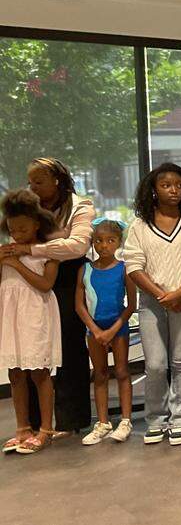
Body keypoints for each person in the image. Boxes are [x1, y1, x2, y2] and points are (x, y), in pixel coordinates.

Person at [0, 158, 95, 435]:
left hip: (66, 280)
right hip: (27, 282)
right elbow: (15, 238)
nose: (33, 187)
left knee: (68, 348)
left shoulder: (80, 205)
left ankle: (69, 420)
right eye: (30, 182)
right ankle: (28, 424)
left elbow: (77, 246)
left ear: (57, 180)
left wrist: (31, 250)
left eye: (39, 181)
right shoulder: (27, 208)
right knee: (27, 354)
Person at [124, 163, 181, 447]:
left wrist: (180, 293)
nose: (173, 190)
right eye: (166, 185)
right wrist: (164, 296)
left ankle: (180, 420)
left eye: (178, 185)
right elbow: (133, 265)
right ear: (153, 189)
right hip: (152, 302)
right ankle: (156, 420)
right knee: (156, 364)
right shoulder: (139, 225)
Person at [0, 189, 61, 455]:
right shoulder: (6, 252)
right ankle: (22, 428)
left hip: (36, 315)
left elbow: (46, 285)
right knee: (15, 372)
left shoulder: (46, 253)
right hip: (10, 316)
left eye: (23, 228)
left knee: (39, 372)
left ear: (36, 224)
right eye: (12, 229)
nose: (17, 234)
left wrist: (17, 263)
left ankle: (46, 429)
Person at [76, 218, 135, 445]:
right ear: (92, 242)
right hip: (94, 330)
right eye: (99, 241)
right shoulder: (85, 269)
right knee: (99, 374)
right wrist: (95, 330)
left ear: (118, 242)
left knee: (121, 371)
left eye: (110, 241)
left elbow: (130, 305)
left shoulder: (125, 269)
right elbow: (79, 305)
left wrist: (112, 330)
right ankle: (102, 422)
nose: (104, 246)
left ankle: (126, 420)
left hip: (117, 328)